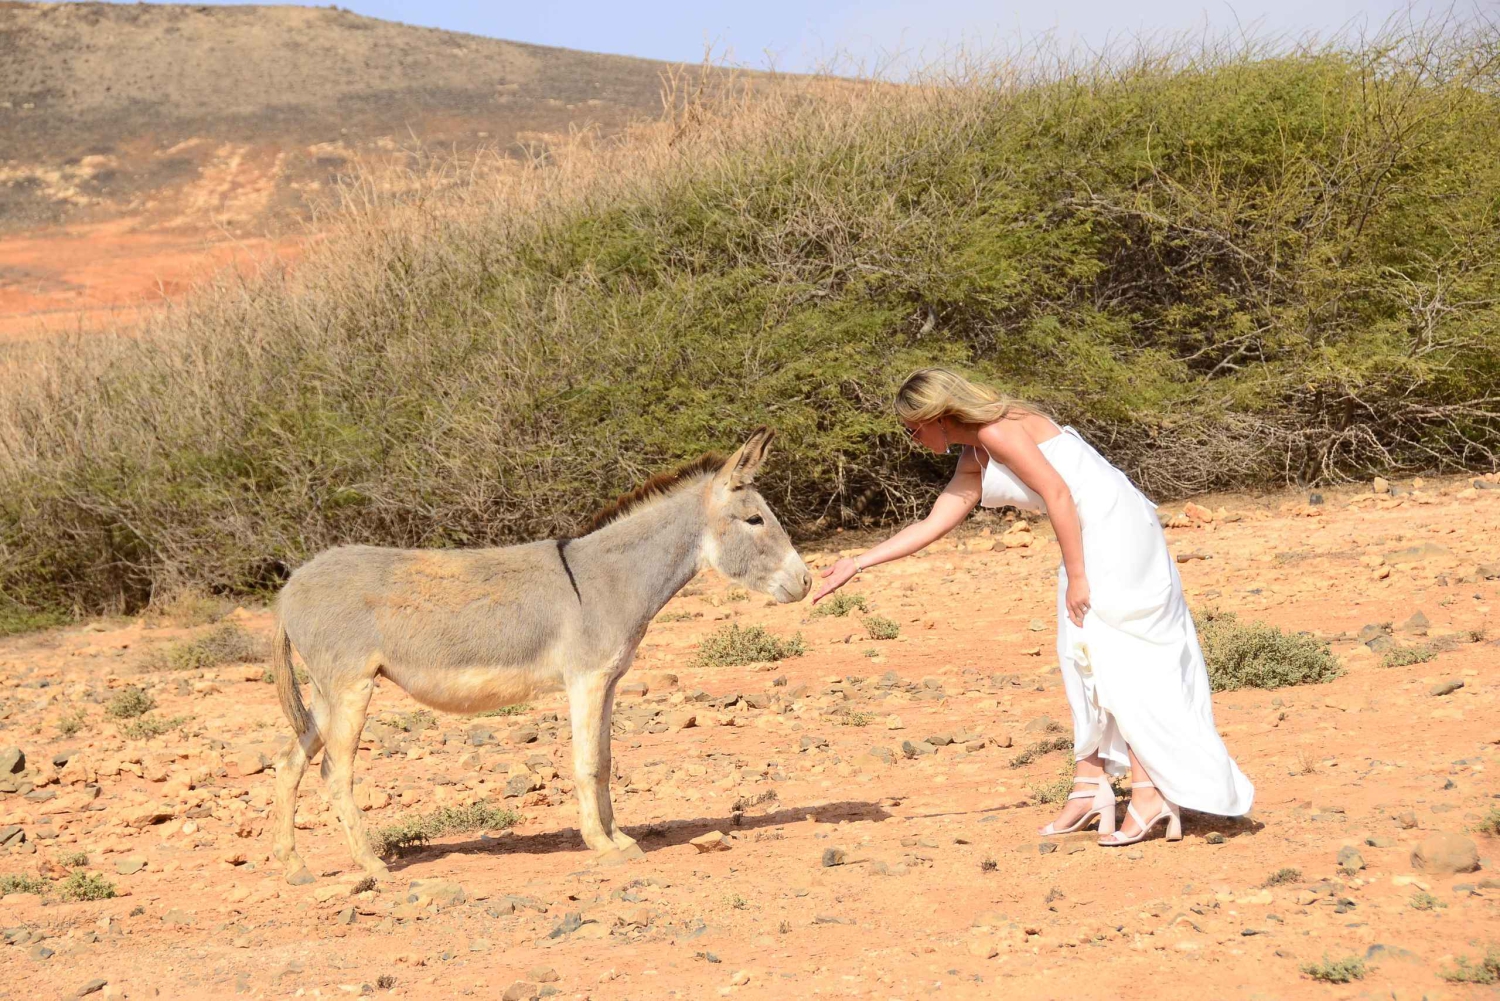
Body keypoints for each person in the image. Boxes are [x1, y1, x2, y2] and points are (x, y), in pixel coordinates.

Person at [812, 368, 1254, 845]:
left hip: (1113, 530)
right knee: (1077, 651)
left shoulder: (996, 430)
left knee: (1116, 652)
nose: (911, 439)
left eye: (912, 428)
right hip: (1088, 534)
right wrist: (857, 562)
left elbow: (1058, 492)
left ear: (937, 416)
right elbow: (934, 522)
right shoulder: (974, 453)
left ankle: (1150, 793)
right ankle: (1090, 787)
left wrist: (1078, 576)